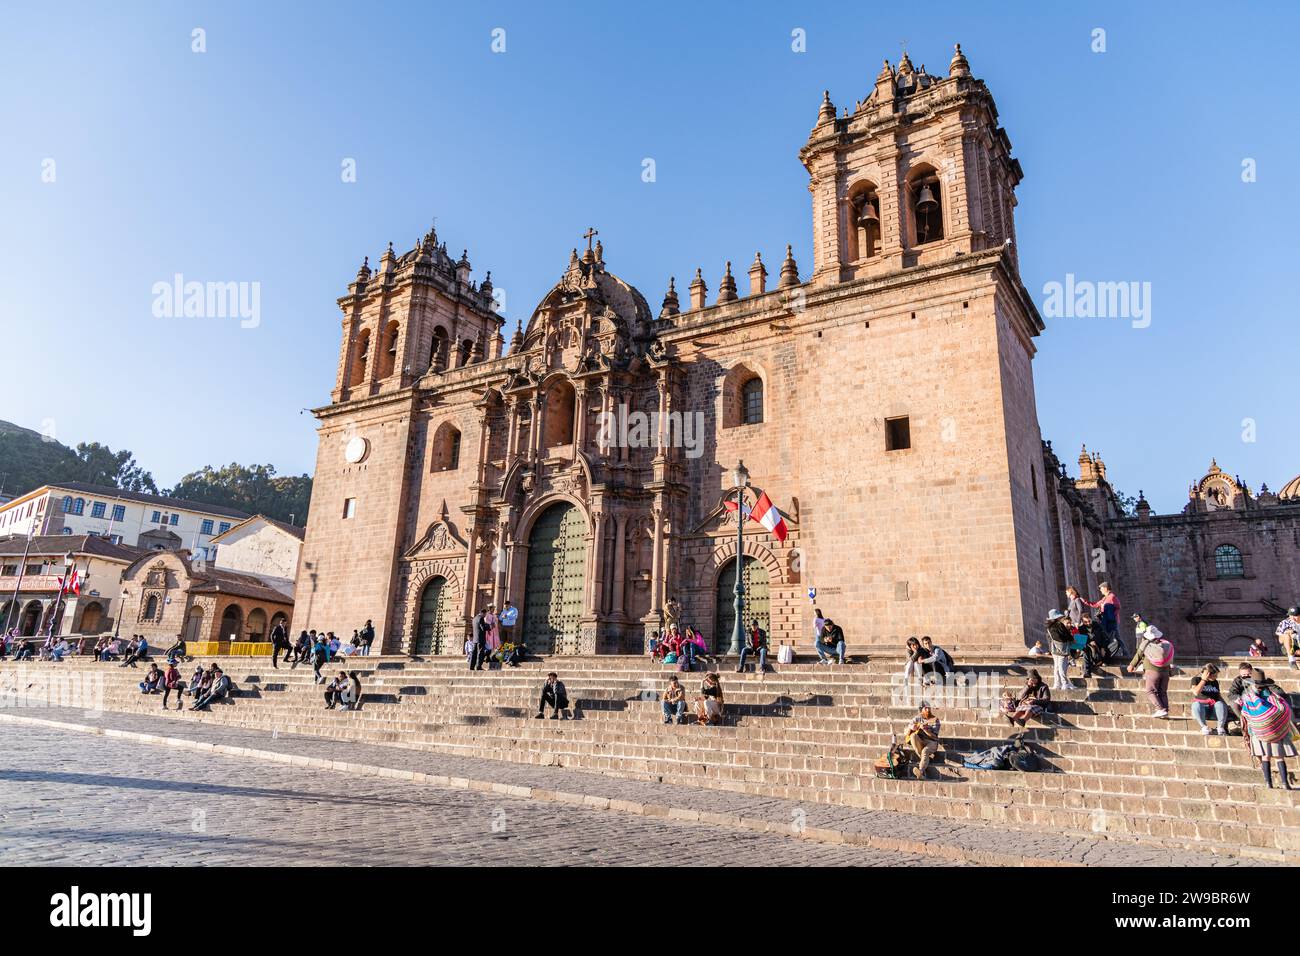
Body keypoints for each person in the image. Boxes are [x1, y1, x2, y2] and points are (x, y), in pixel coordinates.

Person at [1239, 669, 1296, 790]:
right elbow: (1283, 708)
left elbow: (1245, 713)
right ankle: (1285, 783)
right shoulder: (1271, 694)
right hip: (1276, 731)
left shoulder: (1248, 696)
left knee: (1265, 756)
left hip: (1257, 731)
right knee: (1279, 756)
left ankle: (1268, 783)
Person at [1127, 615, 1174, 718]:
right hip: (1165, 671)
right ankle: (1165, 710)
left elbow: (1138, 655)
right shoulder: (1166, 644)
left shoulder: (1145, 644)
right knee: (1162, 692)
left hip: (1152, 671)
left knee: (1150, 691)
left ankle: (1160, 709)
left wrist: (1131, 665)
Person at [905, 702, 942, 779]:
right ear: (921, 710)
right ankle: (925, 759)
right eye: (925, 708)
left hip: (932, 742)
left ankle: (920, 771)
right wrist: (912, 727)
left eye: (929, 708)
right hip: (921, 741)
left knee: (925, 751)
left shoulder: (935, 720)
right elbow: (906, 731)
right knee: (913, 736)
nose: (928, 710)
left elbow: (934, 736)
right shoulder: (917, 718)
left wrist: (925, 729)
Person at [1086, 581, 1124, 656]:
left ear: (1106, 588)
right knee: (1113, 636)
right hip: (1106, 620)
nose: (1100, 590)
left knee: (1113, 637)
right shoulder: (1104, 598)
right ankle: (1119, 652)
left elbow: (1118, 607)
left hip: (1112, 621)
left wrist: (1113, 616)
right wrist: (1085, 601)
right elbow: (1096, 605)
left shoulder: (1112, 596)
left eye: (1101, 588)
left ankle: (1121, 653)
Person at [1190, 664, 1228, 736]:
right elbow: (1195, 692)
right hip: (1201, 710)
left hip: (1213, 709)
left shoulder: (1215, 682)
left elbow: (1218, 696)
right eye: (1214, 675)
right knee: (1196, 704)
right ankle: (1204, 727)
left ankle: (1220, 728)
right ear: (1207, 674)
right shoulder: (1196, 680)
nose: (1216, 677)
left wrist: (1225, 706)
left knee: (1220, 704)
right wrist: (1203, 680)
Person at [1046, 609, 1077, 691]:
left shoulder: (1049, 627)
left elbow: (1051, 639)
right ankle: (1065, 683)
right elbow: (1065, 637)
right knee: (1062, 667)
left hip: (1054, 650)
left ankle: (1057, 683)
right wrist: (1072, 640)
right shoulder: (1059, 625)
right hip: (1062, 650)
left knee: (1057, 667)